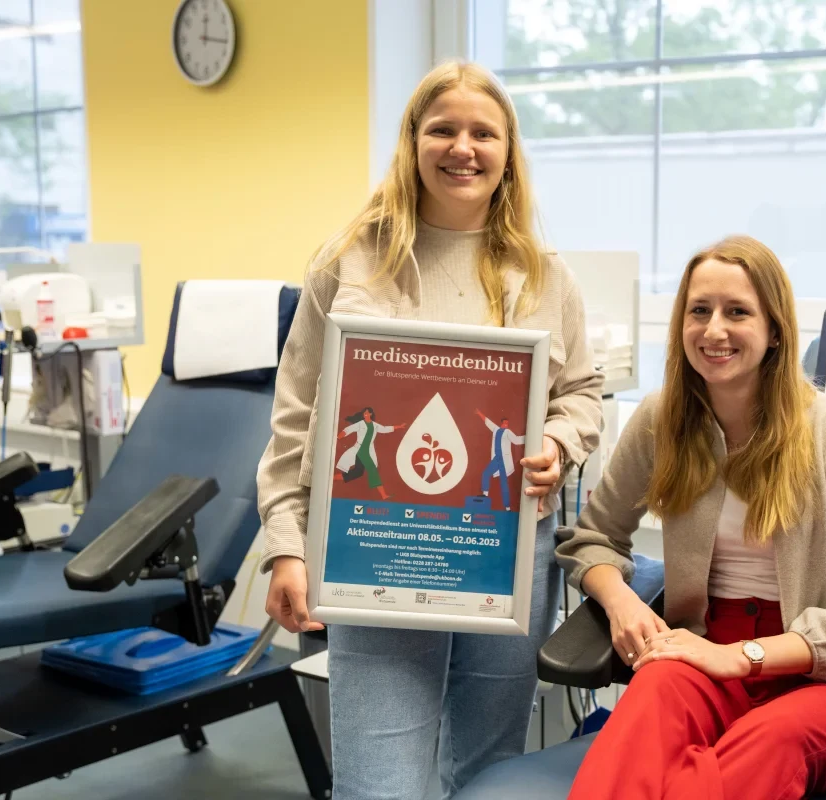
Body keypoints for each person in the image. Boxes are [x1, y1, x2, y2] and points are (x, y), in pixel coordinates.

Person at [257, 60, 603, 798]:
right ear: (412, 142)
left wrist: (558, 444)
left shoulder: (546, 276)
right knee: (379, 781)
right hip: (377, 544)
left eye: (484, 132)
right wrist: (287, 545)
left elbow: (583, 394)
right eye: (442, 129)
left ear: (509, 152)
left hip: (502, 549)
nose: (462, 147)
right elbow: (294, 413)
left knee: (489, 773)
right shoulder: (350, 261)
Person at [555, 235, 826, 799]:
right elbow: (593, 538)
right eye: (699, 311)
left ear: (775, 331)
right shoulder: (661, 420)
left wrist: (738, 658)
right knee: (648, 699)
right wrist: (620, 600)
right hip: (702, 647)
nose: (714, 330)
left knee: (769, 742)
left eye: (737, 312)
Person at [335, 406, 406, 499]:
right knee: (372, 471)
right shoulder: (360, 424)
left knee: (358, 472)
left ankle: (332, 478)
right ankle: (383, 495)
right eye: (364, 413)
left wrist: (399, 427)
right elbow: (348, 430)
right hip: (360, 450)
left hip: (368, 451)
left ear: (371, 414)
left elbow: (385, 429)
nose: (365, 415)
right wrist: (338, 437)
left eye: (367, 413)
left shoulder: (375, 425)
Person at [475, 409, 524, 510]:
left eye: (507, 423)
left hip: (503, 461)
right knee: (485, 473)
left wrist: (531, 437)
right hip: (496, 459)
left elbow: (517, 440)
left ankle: (507, 507)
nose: (506, 425)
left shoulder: (508, 432)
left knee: (503, 483)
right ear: (502, 423)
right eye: (505, 423)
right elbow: (487, 422)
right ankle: (485, 494)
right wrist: (480, 413)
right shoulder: (496, 430)